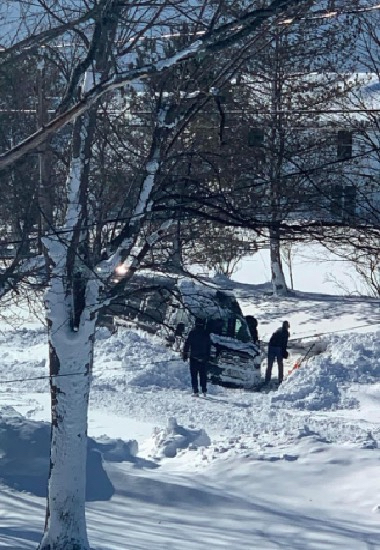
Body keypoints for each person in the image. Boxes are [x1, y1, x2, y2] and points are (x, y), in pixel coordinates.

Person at [183, 317, 211, 397]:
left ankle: (195, 391)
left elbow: (187, 344)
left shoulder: (192, 333)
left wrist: (185, 354)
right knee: (203, 375)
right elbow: (209, 346)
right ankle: (204, 390)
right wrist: (208, 356)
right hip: (204, 358)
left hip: (194, 357)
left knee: (194, 375)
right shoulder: (206, 334)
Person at [265, 320, 290, 384]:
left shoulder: (278, 329)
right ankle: (280, 379)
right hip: (278, 348)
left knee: (270, 364)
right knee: (280, 364)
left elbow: (272, 338)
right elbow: (284, 344)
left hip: (271, 346)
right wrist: (284, 352)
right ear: (287, 326)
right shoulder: (285, 332)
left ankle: (267, 379)